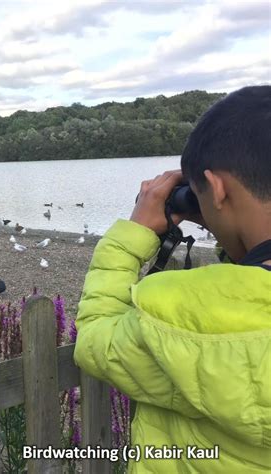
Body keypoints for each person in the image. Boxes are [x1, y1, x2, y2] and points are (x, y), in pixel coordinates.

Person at [74, 85, 271, 473]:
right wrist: (229, 222)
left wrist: (132, 237)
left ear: (215, 188)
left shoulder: (188, 314)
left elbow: (96, 336)